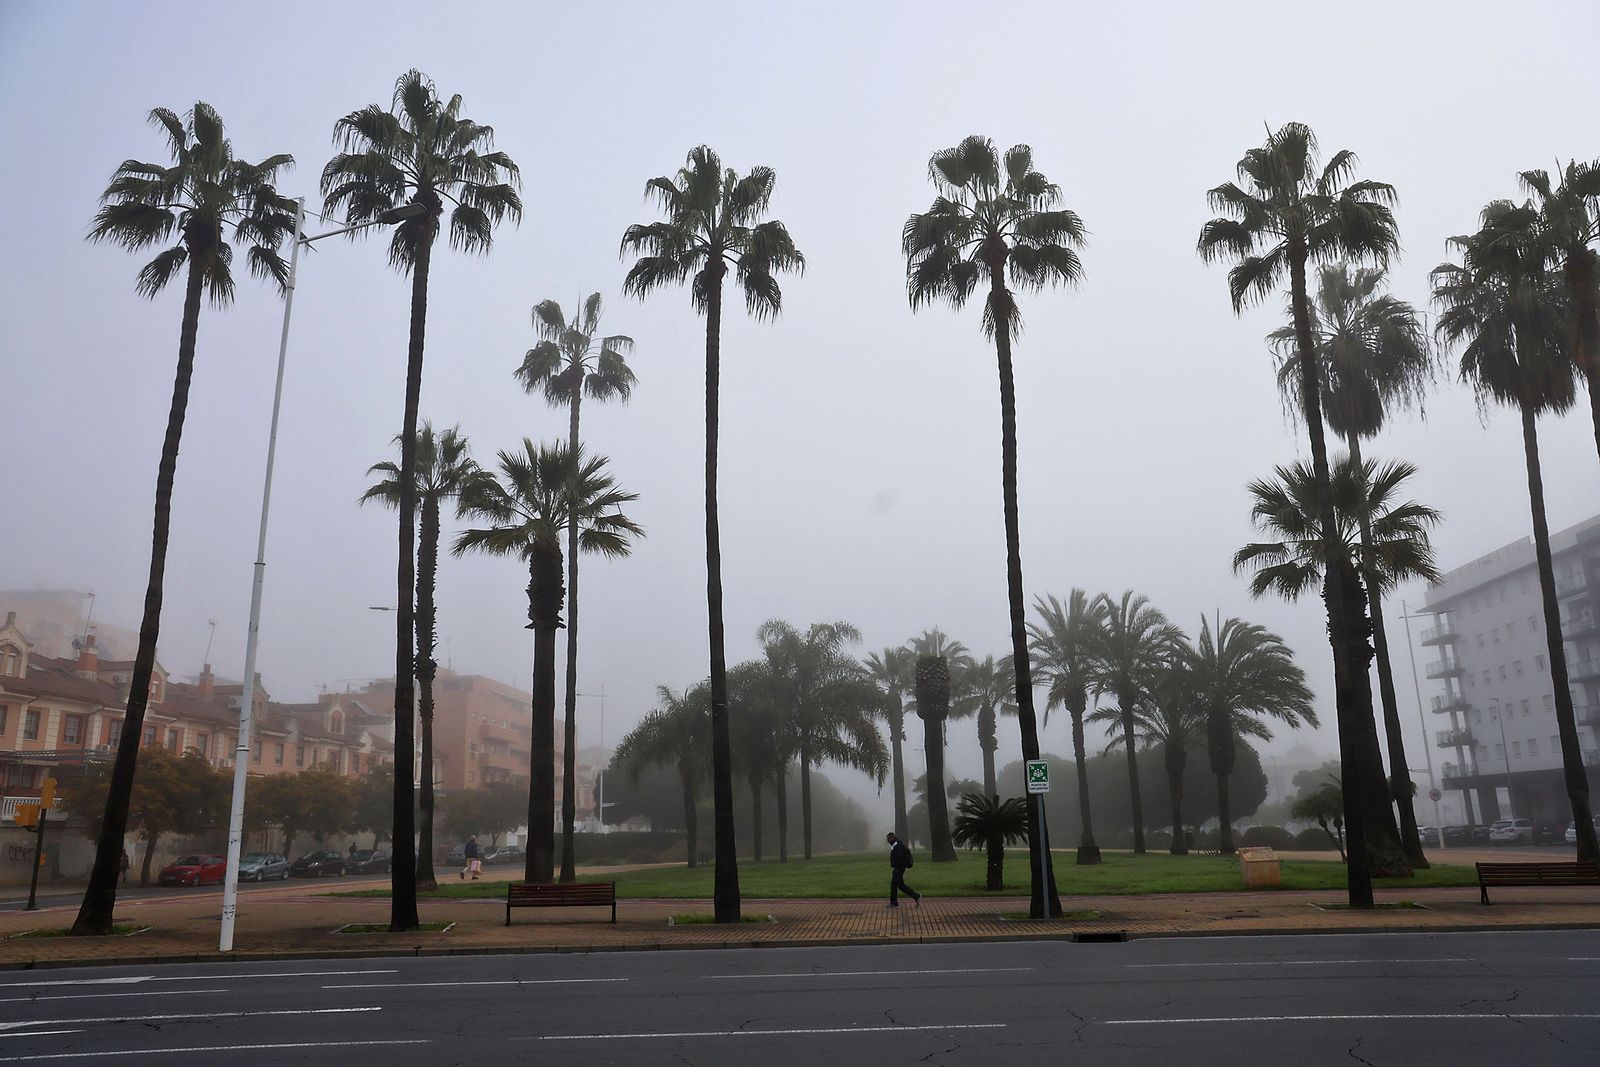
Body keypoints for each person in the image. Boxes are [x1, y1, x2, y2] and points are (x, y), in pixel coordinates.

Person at [885, 832, 920, 908]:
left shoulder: (897, 846)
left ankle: (894, 903)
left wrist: (897, 868)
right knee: (900, 886)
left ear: (892, 838)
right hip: (899, 868)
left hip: (898, 869)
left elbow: (899, 858)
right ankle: (915, 896)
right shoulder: (897, 845)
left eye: (888, 839)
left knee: (895, 885)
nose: (888, 841)